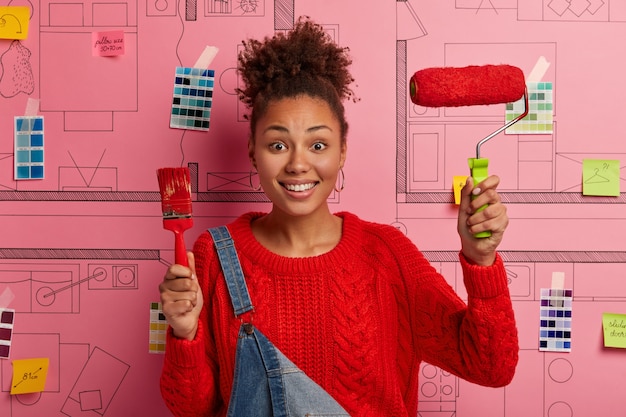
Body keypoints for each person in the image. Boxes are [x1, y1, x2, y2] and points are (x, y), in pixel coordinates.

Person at [159, 17, 518, 417]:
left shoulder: (387, 255)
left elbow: (491, 367)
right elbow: (190, 409)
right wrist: (184, 332)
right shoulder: (213, 256)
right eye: (278, 144)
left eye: (318, 144)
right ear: (252, 151)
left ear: (342, 151)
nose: (298, 164)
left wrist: (481, 263)